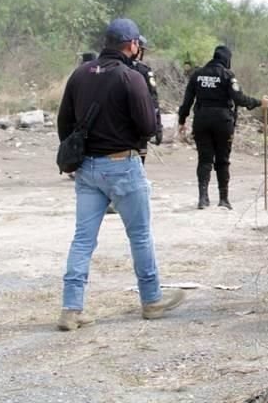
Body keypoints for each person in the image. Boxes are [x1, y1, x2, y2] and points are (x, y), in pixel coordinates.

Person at [56, 19, 184, 331]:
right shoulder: (131, 77)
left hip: (87, 168)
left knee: (83, 239)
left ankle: (71, 309)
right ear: (131, 45)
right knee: (138, 235)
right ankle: (151, 299)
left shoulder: (79, 74)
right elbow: (147, 127)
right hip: (123, 165)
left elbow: (64, 123)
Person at [177, 46, 268, 210]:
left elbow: (187, 101)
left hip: (201, 121)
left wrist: (182, 121)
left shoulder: (197, 75)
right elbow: (239, 98)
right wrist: (259, 103)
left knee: (204, 160)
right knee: (223, 161)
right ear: (227, 59)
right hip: (223, 122)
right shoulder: (227, 75)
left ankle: (203, 198)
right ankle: (224, 199)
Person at [130, 35, 163, 164]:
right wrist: (157, 126)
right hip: (138, 126)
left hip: (115, 128)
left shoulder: (111, 68)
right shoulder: (143, 71)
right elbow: (153, 101)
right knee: (138, 162)